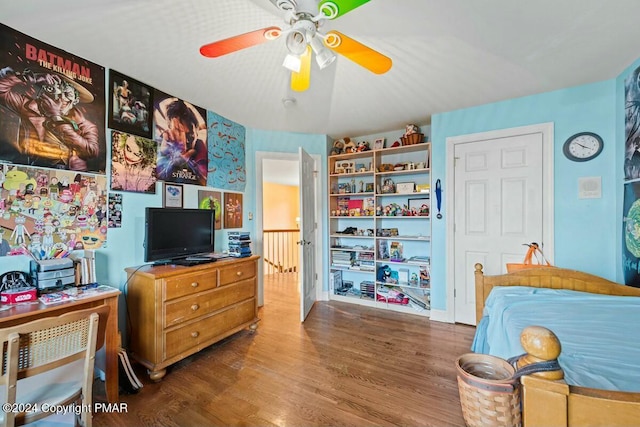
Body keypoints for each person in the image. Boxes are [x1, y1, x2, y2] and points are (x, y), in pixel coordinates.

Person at [0, 67, 100, 171]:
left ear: (75, 101)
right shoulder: (28, 106)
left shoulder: (85, 125)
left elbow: (91, 151)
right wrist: (28, 77)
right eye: (56, 92)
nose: (61, 98)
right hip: (34, 167)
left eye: (67, 94)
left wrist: (56, 117)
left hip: (69, 172)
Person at [156, 99, 207, 185]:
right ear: (169, 130)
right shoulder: (164, 144)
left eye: (189, 134)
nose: (184, 140)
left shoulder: (199, 146)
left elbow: (204, 180)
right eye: (177, 130)